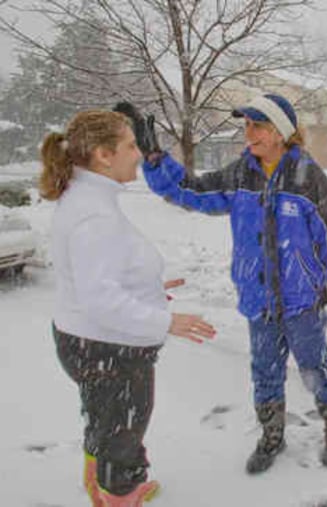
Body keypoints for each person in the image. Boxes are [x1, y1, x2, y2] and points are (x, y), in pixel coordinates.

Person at [122, 94, 327, 473]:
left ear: (281, 132)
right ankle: (271, 436)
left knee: (315, 369)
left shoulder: (307, 177)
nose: (248, 133)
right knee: (264, 372)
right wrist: (155, 159)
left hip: (303, 302)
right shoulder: (241, 174)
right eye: (246, 125)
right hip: (259, 300)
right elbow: (190, 191)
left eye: (257, 125)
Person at [40, 110, 216, 506]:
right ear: (104, 155)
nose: (139, 153)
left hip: (90, 343)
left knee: (104, 418)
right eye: (131, 145)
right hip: (109, 350)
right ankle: (120, 492)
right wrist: (167, 321)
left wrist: (145, 286)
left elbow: (97, 276)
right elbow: (100, 299)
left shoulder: (87, 199)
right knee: (123, 433)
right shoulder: (94, 215)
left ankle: (97, 481)